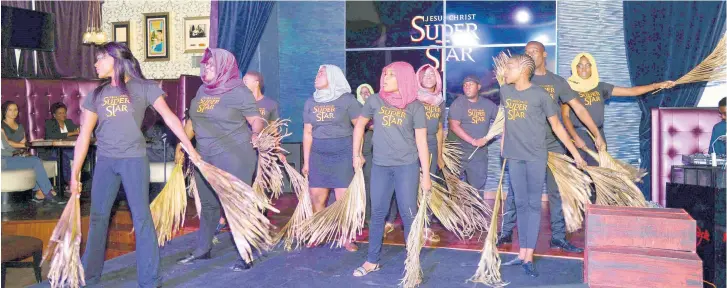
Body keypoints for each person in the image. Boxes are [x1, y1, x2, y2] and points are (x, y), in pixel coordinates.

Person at [69, 42, 201, 288]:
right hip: (106, 162)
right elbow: (84, 136)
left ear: (114, 60)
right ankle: (89, 276)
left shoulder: (144, 87)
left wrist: (189, 147)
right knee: (98, 218)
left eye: (100, 59)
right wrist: (75, 173)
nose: (96, 64)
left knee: (141, 219)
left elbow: (170, 118)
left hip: (133, 161)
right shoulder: (97, 94)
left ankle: (150, 281)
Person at [498, 41, 604, 253]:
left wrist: (596, 133)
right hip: (525, 147)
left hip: (553, 146)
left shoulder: (557, 82)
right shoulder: (514, 83)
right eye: (526, 52)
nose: (530, 54)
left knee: (556, 192)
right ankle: (506, 233)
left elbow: (579, 109)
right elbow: (507, 116)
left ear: (544, 55)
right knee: (515, 194)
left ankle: (558, 237)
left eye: (534, 51)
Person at [172, 48, 265, 272]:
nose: (207, 68)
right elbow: (193, 121)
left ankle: (245, 252)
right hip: (204, 157)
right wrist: (182, 143)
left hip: (235, 155)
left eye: (212, 65)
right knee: (209, 205)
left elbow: (256, 118)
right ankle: (203, 249)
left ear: (224, 66)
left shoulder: (238, 91)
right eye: (205, 65)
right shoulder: (202, 92)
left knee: (236, 205)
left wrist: (256, 133)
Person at [351, 61, 432, 277]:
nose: (385, 78)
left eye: (391, 75)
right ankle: (371, 261)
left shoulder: (415, 106)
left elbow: (422, 142)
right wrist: (356, 154)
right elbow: (359, 125)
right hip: (380, 166)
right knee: (377, 213)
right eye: (384, 74)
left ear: (403, 78)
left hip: (407, 166)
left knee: (408, 214)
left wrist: (425, 175)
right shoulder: (375, 100)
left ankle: (413, 263)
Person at [562, 53, 675, 165]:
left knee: (600, 175)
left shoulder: (600, 87)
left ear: (592, 68)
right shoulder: (569, 88)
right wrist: (575, 137)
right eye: (580, 65)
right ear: (575, 68)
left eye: (587, 65)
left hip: (599, 136)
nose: (584, 69)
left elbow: (631, 91)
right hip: (579, 134)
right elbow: (565, 116)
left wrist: (657, 85)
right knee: (579, 176)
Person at [302, 64, 362, 252]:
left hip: (343, 154)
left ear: (333, 77)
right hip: (319, 155)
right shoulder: (311, 101)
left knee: (343, 200)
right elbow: (307, 133)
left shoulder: (347, 100)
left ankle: (346, 237)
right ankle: (319, 233)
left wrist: (357, 155)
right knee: (317, 198)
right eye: (317, 72)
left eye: (321, 73)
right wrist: (306, 161)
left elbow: (359, 128)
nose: (317, 76)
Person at [383, 64, 445, 242]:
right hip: (411, 144)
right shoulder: (411, 97)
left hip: (431, 145)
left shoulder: (440, 101)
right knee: (403, 184)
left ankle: (425, 224)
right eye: (424, 75)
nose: (428, 77)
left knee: (428, 185)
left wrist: (439, 155)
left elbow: (440, 129)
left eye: (431, 75)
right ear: (418, 78)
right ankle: (391, 219)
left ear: (437, 79)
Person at [2, 101, 65, 205]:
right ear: (4, 111)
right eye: (10, 110)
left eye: (16, 109)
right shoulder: (1, 126)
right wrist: (25, 145)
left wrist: (25, 150)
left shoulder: (20, 126)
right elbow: (8, 143)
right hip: (4, 159)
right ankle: (48, 192)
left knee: (35, 160)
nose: (14, 112)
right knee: (35, 161)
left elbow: (23, 143)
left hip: (15, 157)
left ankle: (39, 193)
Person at [448, 75, 498, 193]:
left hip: (478, 154)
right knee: (452, 188)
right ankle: (455, 211)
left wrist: (489, 137)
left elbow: (502, 121)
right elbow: (454, 126)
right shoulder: (458, 103)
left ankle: (475, 211)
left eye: (471, 84)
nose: (467, 87)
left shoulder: (488, 105)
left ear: (479, 87)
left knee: (477, 189)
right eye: (465, 85)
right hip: (457, 152)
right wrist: (473, 141)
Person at [45, 102, 81, 188]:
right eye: (60, 113)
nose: (63, 115)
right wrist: (72, 133)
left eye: (64, 112)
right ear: (54, 115)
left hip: (68, 149)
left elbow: (77, 132)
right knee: (63, 158)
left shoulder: (69, 122)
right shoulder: (50, 123)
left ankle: (84, 181)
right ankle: (69, 182)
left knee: (81, 155)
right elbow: (54, 135)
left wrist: (78, 130)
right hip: (53, 151)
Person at [356, 83, 375, 225]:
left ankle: (369, 216)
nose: (365, 94)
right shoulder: (356, 109)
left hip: (376, 153)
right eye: (362, 92)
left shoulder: (377, 107)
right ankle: (361, 216)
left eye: (367, 91)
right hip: (361, 153)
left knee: (371, 185)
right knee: (361, 185)